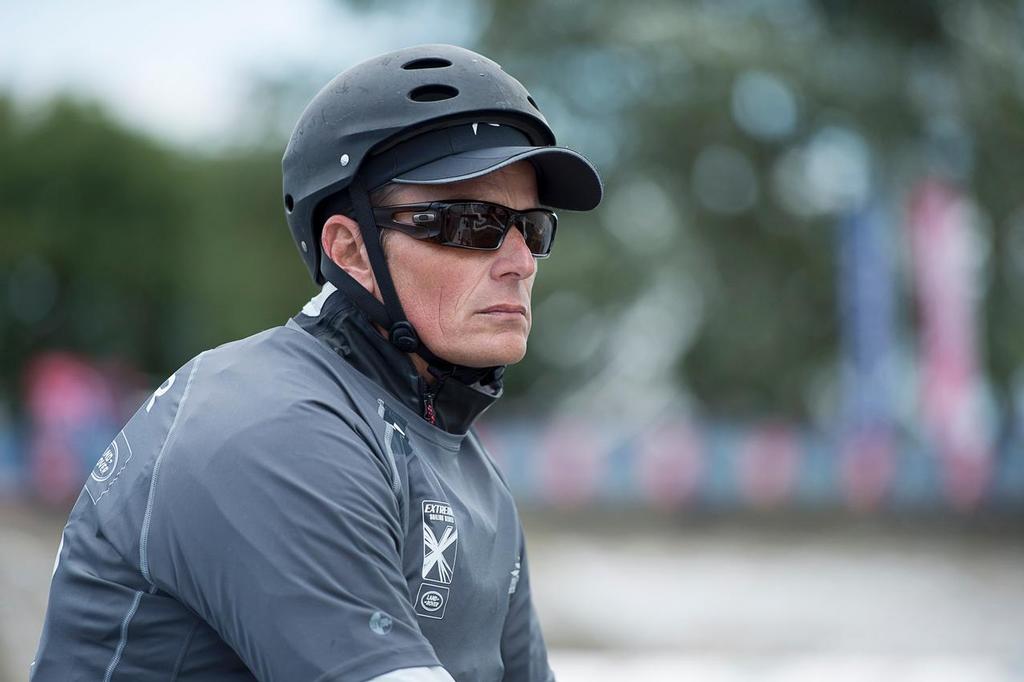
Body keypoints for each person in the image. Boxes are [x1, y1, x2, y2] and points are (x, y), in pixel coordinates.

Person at [29, 44, 602, 682]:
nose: (520, 261)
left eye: (534, 227)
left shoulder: (470, 472)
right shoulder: (266, 427)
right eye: (471, 223)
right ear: (351, 250)